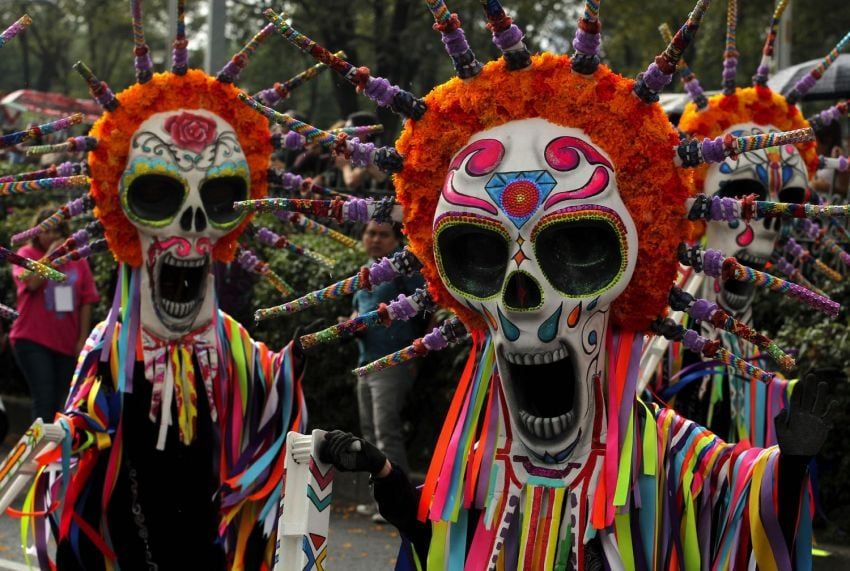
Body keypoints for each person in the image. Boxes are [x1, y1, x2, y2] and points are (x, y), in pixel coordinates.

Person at [351, 221, 425, 484]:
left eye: (384, 235)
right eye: (370, 233)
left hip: (393, 361)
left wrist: (417, 351)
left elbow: (424, 305)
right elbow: (358, 312)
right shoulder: (365, 273)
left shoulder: (403, 269)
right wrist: (352, 325)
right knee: (369, 435)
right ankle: (380, 501)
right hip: (365, 362)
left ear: (396, 240)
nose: (376, 239)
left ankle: (401, 500)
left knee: (386, 434)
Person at [10, 206, 99, 422]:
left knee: (63, 405)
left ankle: (57, 453)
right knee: (45, 399)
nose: (51, 236)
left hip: (67, 343)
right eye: (46, 230)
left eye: (56, 231)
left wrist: (82, 339)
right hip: (32, 340)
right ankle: (39, 454)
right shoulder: (26, 255)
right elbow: (31, 283)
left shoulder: (78, 259)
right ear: (37, 231)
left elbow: (88, 299)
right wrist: (52, 255)